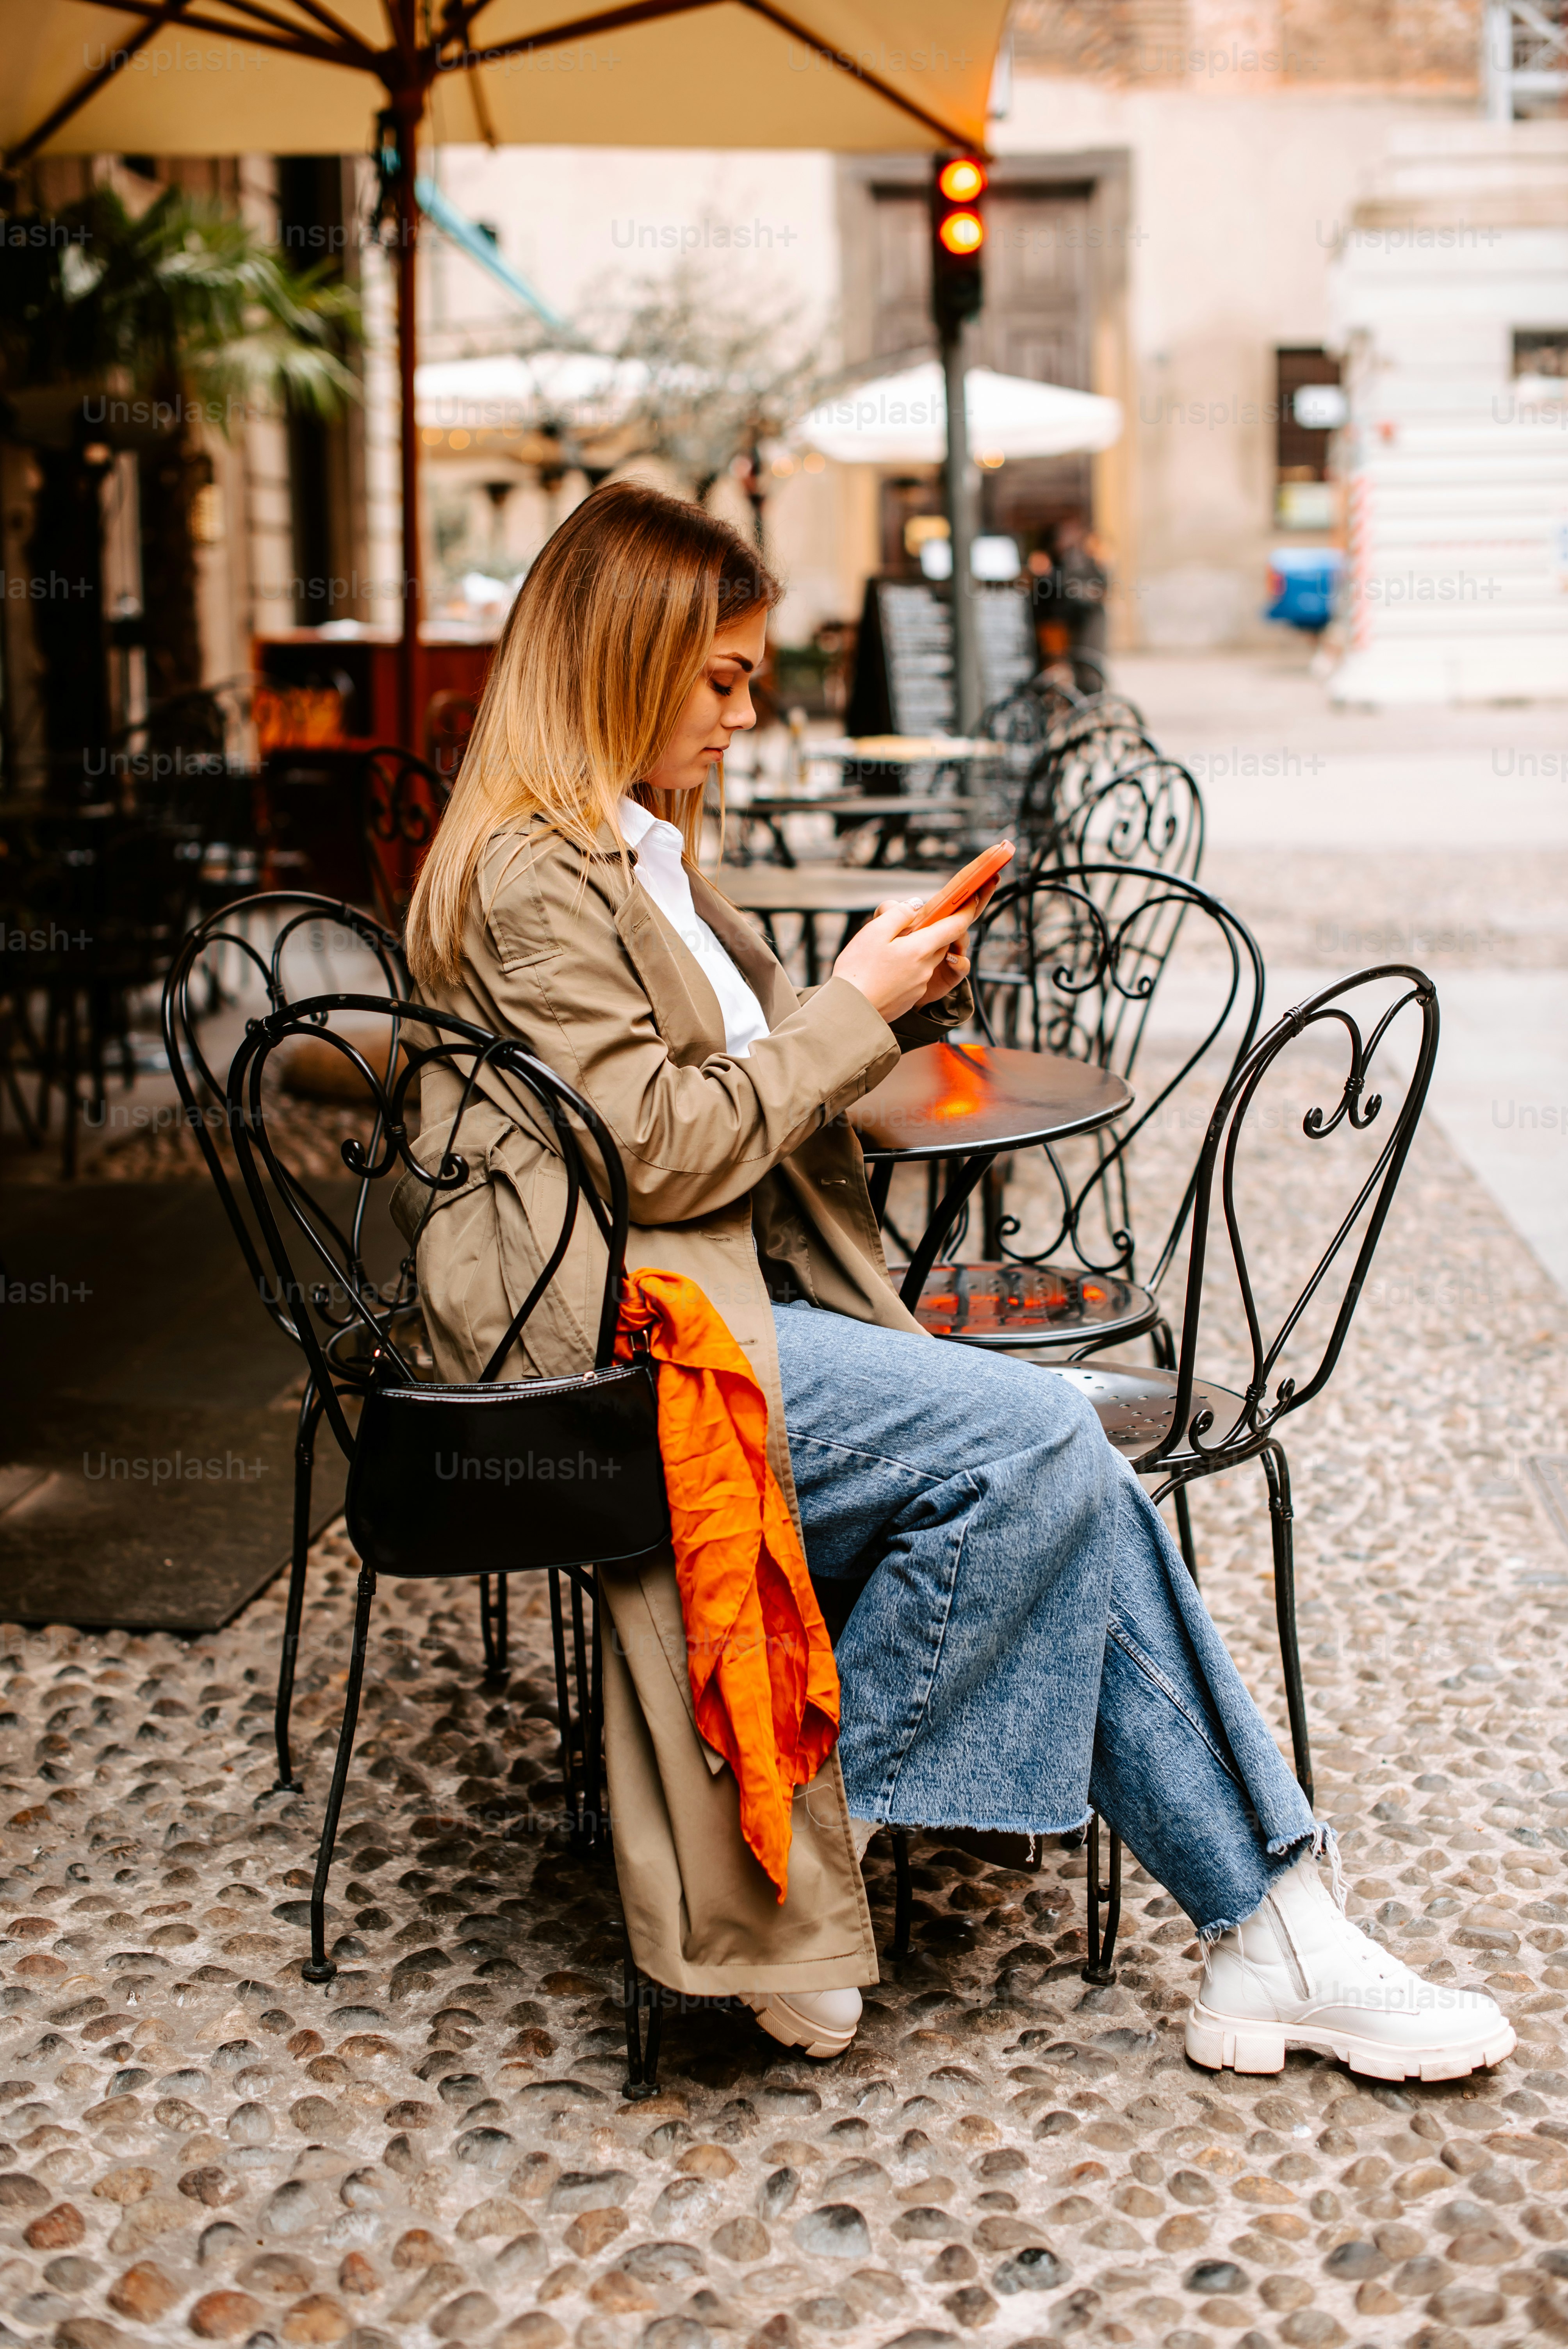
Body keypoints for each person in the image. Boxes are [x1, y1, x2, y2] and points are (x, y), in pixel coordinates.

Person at [403, 479, 1511, 2085]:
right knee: (1041, 1442)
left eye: (745, 673)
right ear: (612, 664)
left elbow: (732, 1095)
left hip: (717, 1299)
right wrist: (841, 1005)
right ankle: (798, 1826)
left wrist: (879, 1000)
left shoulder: (639, 856)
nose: (746, 706)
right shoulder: (530, 871)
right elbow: (658, 1148)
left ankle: (1270, 1932)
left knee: (1063, 1468)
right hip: (615, 1349)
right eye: (716, 677)